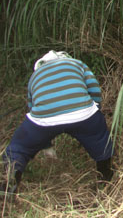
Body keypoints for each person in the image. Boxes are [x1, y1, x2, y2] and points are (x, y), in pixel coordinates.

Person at [1, 51, 114, 194]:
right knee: (100, 140)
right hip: (83, 114)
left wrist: (45, 143)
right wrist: (95, 112)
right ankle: (105, 179)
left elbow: (32, 106)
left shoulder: (35, 76)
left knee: (18, 147)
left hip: (43, 121)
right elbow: (94, 90)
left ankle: (9, 185)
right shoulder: (77, 64)